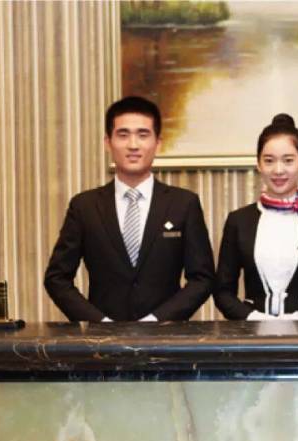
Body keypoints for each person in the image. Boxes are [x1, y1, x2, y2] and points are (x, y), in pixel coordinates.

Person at [44, 96, 215, 322]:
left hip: (167, 335)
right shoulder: (84, 206)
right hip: (101, 337)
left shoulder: (184, 203)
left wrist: (158, 320)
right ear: (108, 142)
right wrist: (99, 322)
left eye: (143, 135)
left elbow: (202, 278)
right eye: (123, 135)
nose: (133, 145)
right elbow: (57, 278)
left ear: (158, 143)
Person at [214, 114, 298, 320]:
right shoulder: (239, 221)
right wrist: (253, 318)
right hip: (250, 333)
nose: (278, 170)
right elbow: (222, 292)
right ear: (258, 164)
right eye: (269, 161)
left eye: (288, 160)